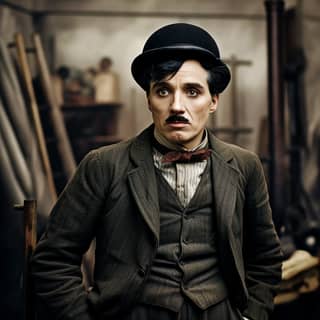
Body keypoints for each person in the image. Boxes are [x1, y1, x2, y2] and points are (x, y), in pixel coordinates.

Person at [31, 23, 283, 320]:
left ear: (213, 101)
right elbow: (52, 261)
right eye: (163, 90)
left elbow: (265, 258)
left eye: (192, 91)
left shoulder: (245, 165)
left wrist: (251, 316)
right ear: (148, 98)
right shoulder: (103, 165)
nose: (177, 106)